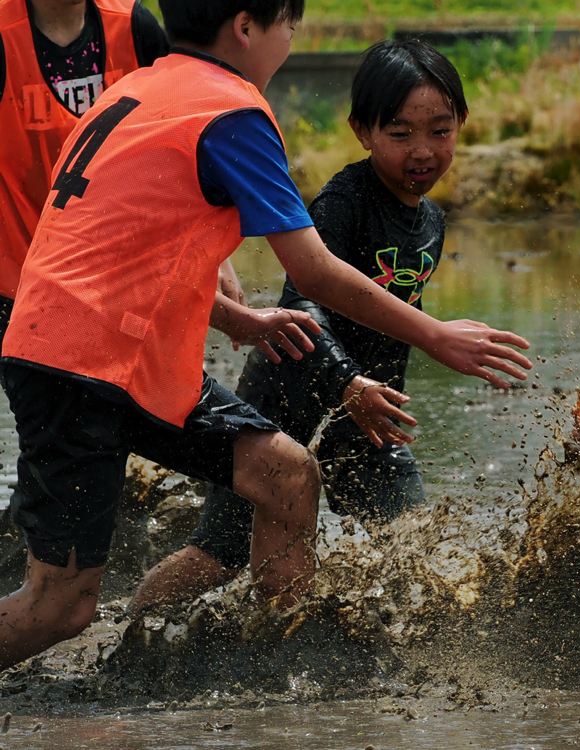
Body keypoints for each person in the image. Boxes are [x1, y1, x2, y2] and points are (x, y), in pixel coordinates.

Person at [0, 0, 532, 672]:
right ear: (248, 26)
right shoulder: (231, 112)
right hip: (83, 367)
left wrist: (238, 321)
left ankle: (281, 659)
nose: (290, 41)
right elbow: (310, 269)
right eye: (290, 27)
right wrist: (435, 336)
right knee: (59, 609)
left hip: (93, 352)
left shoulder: (135, 89)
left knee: (286, 474)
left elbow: (121, 249)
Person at [130, 38, 470, 610]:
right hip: (285, 399)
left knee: (420, 547)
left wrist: (374, 390)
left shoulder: (431, 217)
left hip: (366, 422)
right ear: (362, 131)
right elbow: (304, 303)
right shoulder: (344, 201)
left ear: (461, 124)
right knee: (220, 553)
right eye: (400, 133)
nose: (423, 151)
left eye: (440, 131)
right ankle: (132, 632)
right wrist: (349, 383)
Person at [0, 0, 169, 336]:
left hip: (120, 276)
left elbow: (180, 144)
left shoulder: (135, 26)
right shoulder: (5, 35)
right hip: (18, 281)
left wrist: (219, 263)